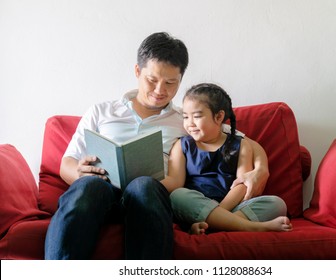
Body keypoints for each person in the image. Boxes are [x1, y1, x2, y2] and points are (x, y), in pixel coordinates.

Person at [44, 32, 270, 260]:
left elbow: (241, 140)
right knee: (87, 186)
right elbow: (67, 163)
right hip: (101, 191)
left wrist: (261, 169)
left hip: (148, 195)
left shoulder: (185, 119)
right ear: (137, 72)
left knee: (143, 185)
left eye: (171, 83)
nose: (160, 90)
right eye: (152, 80)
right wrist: (78, 172)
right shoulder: (101, 112)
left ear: (180, 80)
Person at [161, 83, 292, 235]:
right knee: (178, 195)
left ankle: (212, 225)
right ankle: (250, 226)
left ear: (219, 117)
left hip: (229, 206)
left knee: (276, 204)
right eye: (185, 117)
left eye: (196, 116)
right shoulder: (182, 145)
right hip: (195, 207)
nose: (189, 123)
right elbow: (175, 182)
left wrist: (219, 211)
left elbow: (242, 185)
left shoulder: (241, 144)